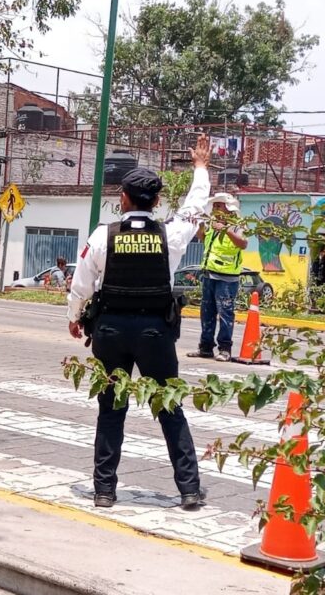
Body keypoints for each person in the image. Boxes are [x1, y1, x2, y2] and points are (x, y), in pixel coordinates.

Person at [67, 134, 213, 511]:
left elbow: (81, 285)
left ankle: (104, 491)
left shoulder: (103, 235)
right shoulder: (172, 234)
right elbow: (196, 208)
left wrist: (73, 317)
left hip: (110, 331)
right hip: (155, 332)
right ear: (158, 201)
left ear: (123, 199)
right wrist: (200, 168)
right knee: (169, 406)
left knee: (111, 409)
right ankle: (190, 490)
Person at [187, 192, 247, 362]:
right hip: (209, 274)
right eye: (214, 205)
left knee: (225, 313)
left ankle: (225, 349)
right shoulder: (212, 224)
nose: (214, 208)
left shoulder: (237, 225)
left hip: (226, 278)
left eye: (218, 206)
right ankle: (205, 348)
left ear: (228, 209)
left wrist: (226, 230)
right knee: (206, 312)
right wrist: (199, 226)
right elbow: (204, 238)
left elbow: (243, 243)